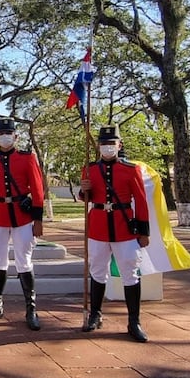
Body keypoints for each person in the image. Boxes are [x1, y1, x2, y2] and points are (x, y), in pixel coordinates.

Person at [79, 124, 151, 342]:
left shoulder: (130, 169)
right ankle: (95, 315)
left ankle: (134, 321)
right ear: (99, 146)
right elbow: (86, 198)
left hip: (124, 227)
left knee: (130, 272)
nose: (107, 147)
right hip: (99, 226)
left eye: (111, 143)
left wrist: (144, 231)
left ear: (119, 145)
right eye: (103, 144)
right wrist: (84, 190)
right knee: (98, 270)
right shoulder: (90, 169)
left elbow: (140, 200)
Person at [0, 118, 45, 331]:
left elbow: (38, 190)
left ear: (16, 136)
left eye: (9, 133)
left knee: (24, 261)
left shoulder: (27, 158)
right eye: (1, 133)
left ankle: (31, 309)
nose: (5, 136)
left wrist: (38, 219)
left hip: (22, 216)